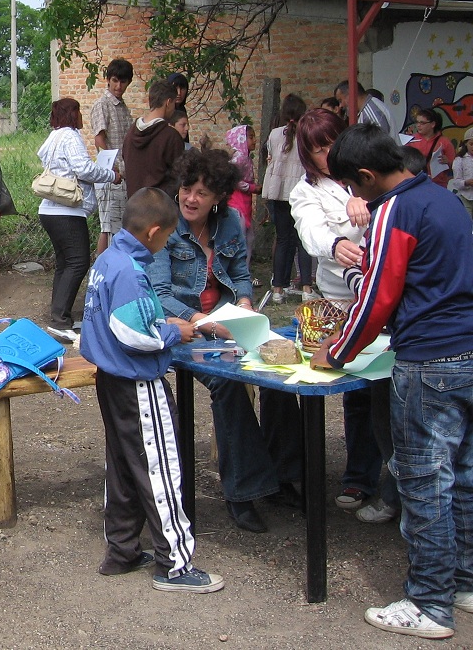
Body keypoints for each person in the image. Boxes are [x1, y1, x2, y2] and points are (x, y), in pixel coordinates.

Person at [312, 124, 473, 640]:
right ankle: (463, 582)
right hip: (468, 353)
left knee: (424, 481)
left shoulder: (394, 211)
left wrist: (337, 352)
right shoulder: (446, 200)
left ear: (367, 176)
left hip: (428, 361)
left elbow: (377, 298)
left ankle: (429, 602)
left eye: (353, 187)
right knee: (463, 476)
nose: (356, 197)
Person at [150, 148, 303, 533]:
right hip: (182, 329)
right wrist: (204, 322)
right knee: (229, 382)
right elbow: (159, 294)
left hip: (226, 322)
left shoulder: (230, 220)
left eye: (201, 193)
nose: (190, 198)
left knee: (280, 370)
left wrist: (245, 305)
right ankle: (244, 491)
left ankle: (284, 476)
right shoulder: (165, 222)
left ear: (218, 196)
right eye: (186, 189)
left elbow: (239, 275)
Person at [80, 188, 224, 593]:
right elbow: (135, 335)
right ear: (154, 232)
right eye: (168, 236)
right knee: (160, 469)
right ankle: (174, 565)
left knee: (125, 467)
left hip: (112, 382)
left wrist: (162, 325)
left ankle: (122, 550)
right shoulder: (130, 271)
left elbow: (115, 321)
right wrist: (174, 333)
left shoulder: (109, 259)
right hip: (138, 383)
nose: (167, 244)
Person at [290, 108, 393, 523]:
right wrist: (334, 244)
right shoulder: (306, 190)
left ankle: (395, 484)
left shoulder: (366, 171)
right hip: (342, 297)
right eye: (318, 150)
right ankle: (359, 477)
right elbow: (311, 231)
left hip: (386, 291)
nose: (327, 155)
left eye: (332, 144)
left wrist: (361, 197)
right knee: (357, 393)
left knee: (388, 387)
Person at [37, 97, 117, 343]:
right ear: (72, 114)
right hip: (67, 211)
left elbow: (43, 155)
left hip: (49, 210)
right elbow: (83, 169)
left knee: (65, 263)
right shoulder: (71, 136)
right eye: (79, 111)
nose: (82, 116)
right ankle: (60, 321)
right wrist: (111, 174)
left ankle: (60, 317)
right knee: (79, 262)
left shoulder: (54, 136)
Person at [262, 94, 313, 304]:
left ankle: (278, 289)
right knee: (303, 239)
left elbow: (270, 158)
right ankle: (307, 288)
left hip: (280, 192)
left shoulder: (274, 134)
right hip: (301, 191)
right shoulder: (306, 134)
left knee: (283, 239)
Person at [89, 58, 134, 256]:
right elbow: (99, 139)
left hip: (123, 174)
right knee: (108, 228)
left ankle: (114, 267)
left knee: (119, 227)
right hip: (109, 174)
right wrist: (111, 169)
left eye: (123, 82)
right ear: (108, 80)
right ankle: (101, 268)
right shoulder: (102, 104)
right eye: (115, 80)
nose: (118, 86)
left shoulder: (123, 107)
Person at [123, 78, 184, 199]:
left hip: (134, 205)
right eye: (174, 104)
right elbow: (181, 176)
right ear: (168, 102)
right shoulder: (171, 137)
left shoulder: (130, 134)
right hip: (161, 206)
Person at [224, 124, 259, 242]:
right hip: (237, 201)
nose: (254, 141)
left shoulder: (245, 157)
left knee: (248, 235)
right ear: (241, 139)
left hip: (245, 200)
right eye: (251, 137)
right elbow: (233, 178)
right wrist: (252, 188)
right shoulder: (239, 158)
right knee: (241, 233)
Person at [404, 107, 455, 188]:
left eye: (422, 123)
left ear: (432, 124)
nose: (418, 125)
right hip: (415, 183)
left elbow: (455, 166)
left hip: (438, 184)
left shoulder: (444, 142)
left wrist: (448, 162)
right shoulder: (411, 140)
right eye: (417, 122)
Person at [448, 126, 473, 218]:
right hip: (465, 196)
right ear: (466, 144)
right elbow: (456, 182)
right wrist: (466, 182)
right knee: (468, 221)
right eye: (471, 144)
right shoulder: (460, 160)